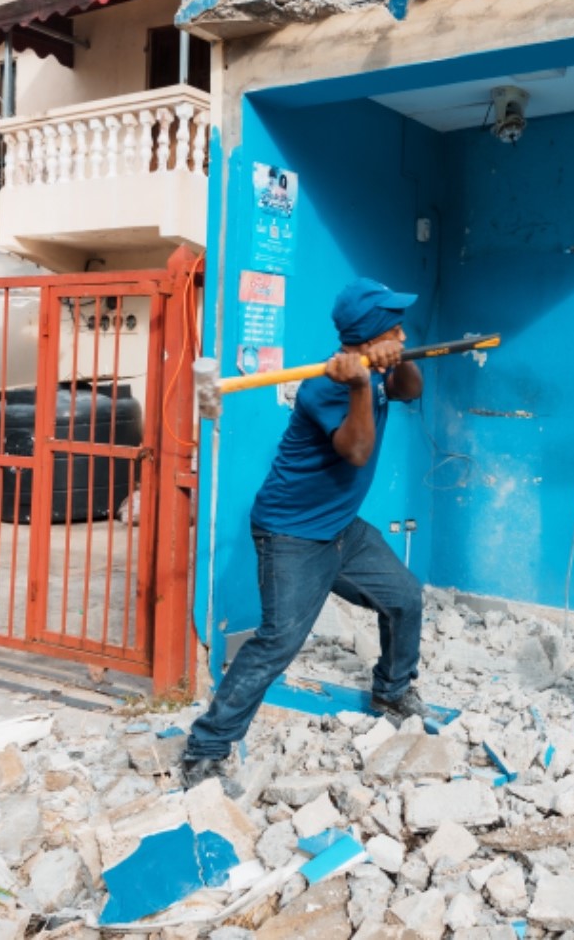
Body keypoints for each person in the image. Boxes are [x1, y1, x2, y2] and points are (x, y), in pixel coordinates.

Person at [181, 277, 430, 789]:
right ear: (368, 335)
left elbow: (411, 389)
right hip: (291, 534)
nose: (404, 333)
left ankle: (392, 688)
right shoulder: (323, 387)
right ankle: (204, 750)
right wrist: (361, 384)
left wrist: (393, 362)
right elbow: (356, 450)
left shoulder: (380, 367)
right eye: (394, 329)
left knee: (404, 597)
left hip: (343, 528)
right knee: (278, 641)